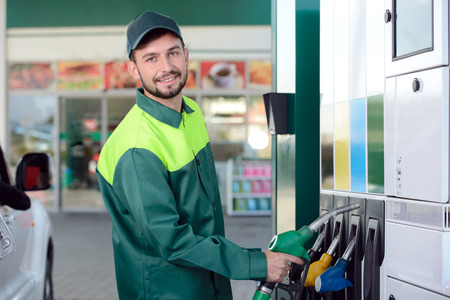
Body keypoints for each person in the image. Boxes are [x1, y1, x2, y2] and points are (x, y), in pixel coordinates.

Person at [96, 10, 302, 299]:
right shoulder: (135, 148)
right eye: (151, 58)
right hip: (167, 293)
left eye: (173, 53)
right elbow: (171, 240)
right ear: (133, 70)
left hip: (211, 284)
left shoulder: (190, 114)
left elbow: (204, 218)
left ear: (186, 55)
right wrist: (255, 263)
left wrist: (256, 259)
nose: (166, 66)